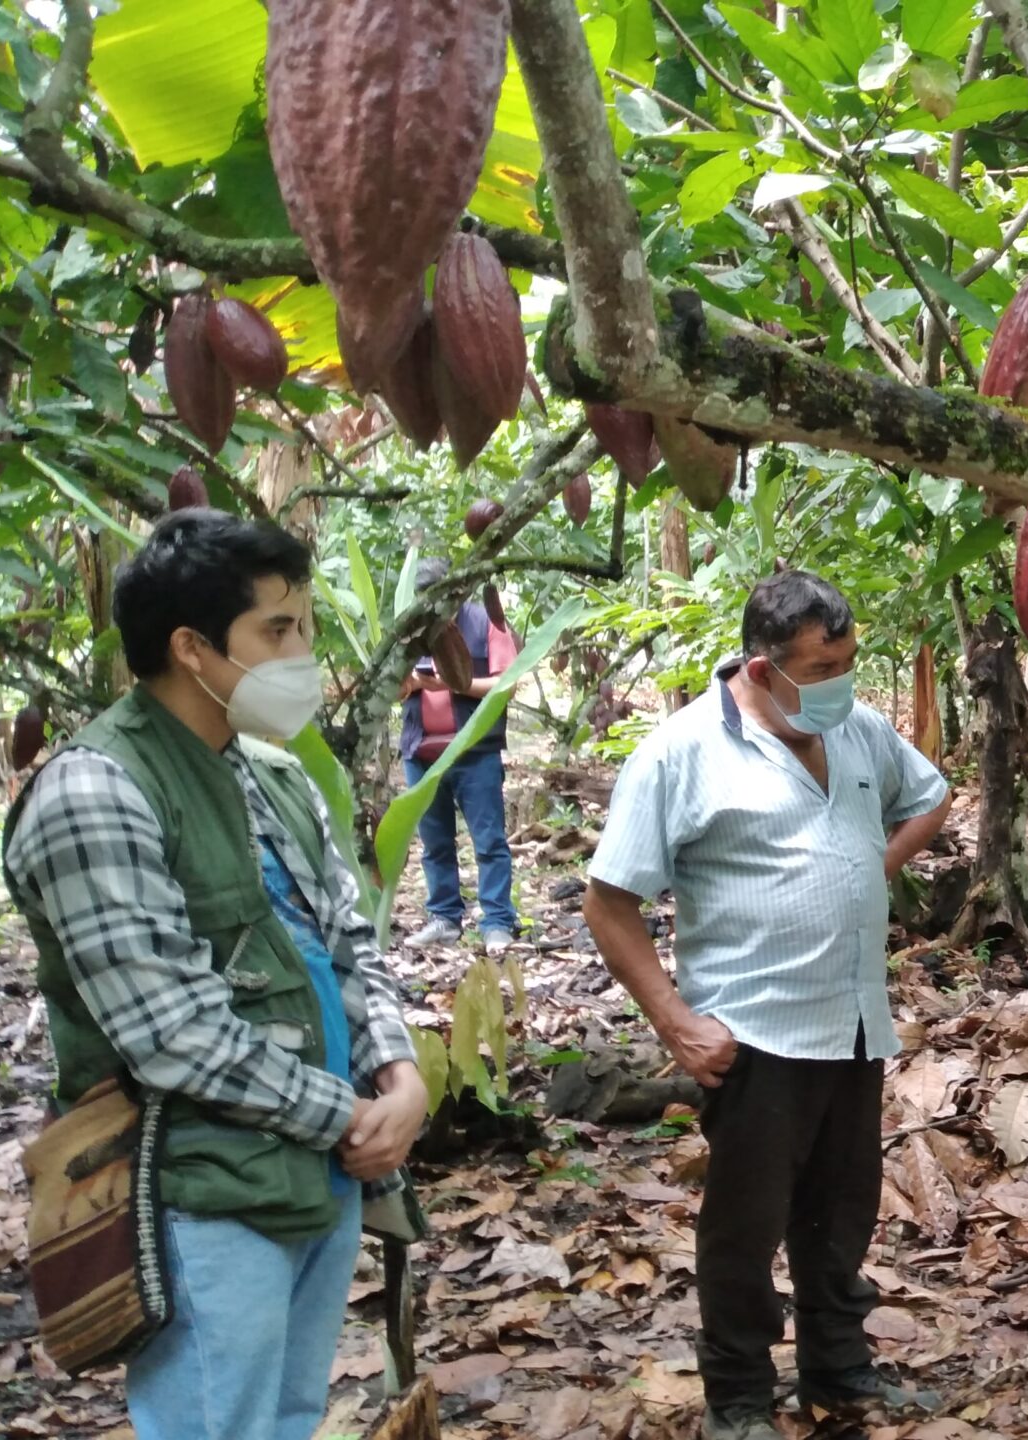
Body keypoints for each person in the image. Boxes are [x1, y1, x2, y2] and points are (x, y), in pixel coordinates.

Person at [3, 509, 427, 1440]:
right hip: (197, 1186)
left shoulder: (271, 772)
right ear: (193, 648)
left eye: (305, 627)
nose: (302, 654)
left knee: (282, 1417)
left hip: (317, 1169)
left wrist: (398, 1073)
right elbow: (171, 1033)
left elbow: (349, 938)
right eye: (276, 631)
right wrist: (351, 1117)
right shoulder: (95, 789)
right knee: (216, 1424)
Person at [583, 571, 952, 1440]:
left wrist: (869, 869)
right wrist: (675, 1021)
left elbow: (929, 797)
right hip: (752, 1034)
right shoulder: (681, 752)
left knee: (842, 1213)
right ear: (762, 667)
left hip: (855, 1019)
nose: (843, 682)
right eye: (824, 667)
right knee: (744, 1233)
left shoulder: (856, 728)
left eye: (850, 661)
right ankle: (740, 1398)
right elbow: (609, 901)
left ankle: (841, 1366)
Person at [399, 558, 520, 954]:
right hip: (422, 752)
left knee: (488, 840)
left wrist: (455, 683)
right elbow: (390, 690)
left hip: (474, 751)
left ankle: (498, 921)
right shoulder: (409, 630)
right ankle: (444, 918)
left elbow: (506, 684)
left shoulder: (486, 622)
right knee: (434, 842)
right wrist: (414, 682)